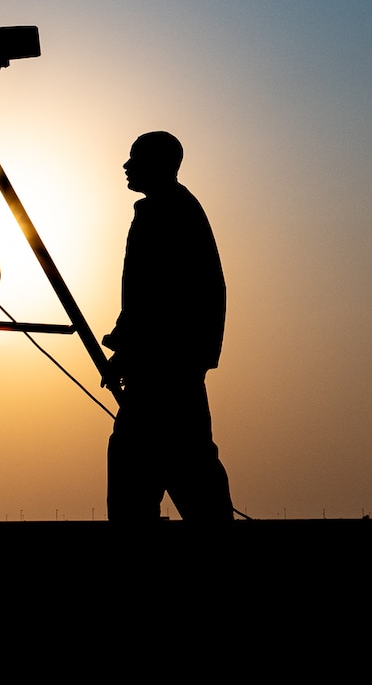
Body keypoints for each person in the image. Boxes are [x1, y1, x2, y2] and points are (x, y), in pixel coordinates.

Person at [103, 131, 234, 522]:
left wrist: (128, 352)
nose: (126, 167)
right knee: (184, 467)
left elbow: (157, 296)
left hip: (165, 372)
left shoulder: (167, 214)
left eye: (134, 159)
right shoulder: (172, 210)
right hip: (170, 368)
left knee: (153, 468)